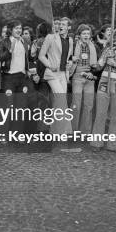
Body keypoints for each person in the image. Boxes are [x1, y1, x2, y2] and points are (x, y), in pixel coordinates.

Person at [38, 17, 77, 150]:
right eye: (59, 24)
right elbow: (41, 56)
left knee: (60, 103)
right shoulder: (50, 37)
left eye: (64, 24)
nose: (61, 26)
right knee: (61, 100)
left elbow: (68, 57)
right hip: (52, 74)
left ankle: (56, 132)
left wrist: (70, 64)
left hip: (63, 74)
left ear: (69, 28)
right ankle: (62, 134)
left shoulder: (70, 40)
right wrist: (50, 65)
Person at [0, 21, 33, 135]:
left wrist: (28, 70)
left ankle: (17, 134)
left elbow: (27, 59)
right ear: (11, 30)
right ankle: (3, 134)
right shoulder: (4, 42)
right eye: (16, 28)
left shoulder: (24, 41)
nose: (19, 30)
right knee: (7, 106)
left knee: (20, 107)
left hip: (22, 78)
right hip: (9, 78)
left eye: (20, 28)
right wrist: (10, 50)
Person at [70, 24, 98, 134]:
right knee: (76, 104)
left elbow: (98, 64)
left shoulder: (94, 46)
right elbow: (67, 58)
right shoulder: (73, 45)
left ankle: (86, 131)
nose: (86, 35)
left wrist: (93, 73)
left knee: (89, 105)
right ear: (79, 35)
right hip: (77, 76)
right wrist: (71, 58)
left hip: (89, 76)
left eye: (88, 33)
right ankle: (73, 130)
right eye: (83, 33)